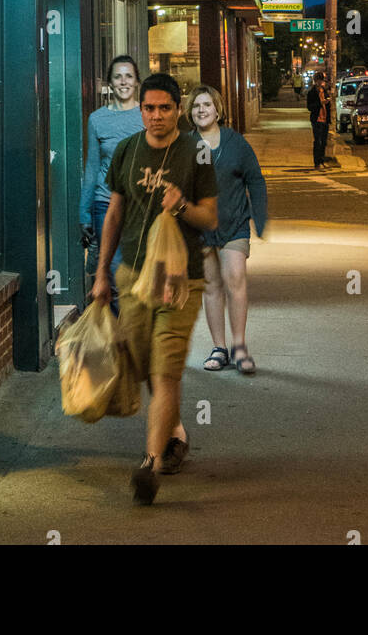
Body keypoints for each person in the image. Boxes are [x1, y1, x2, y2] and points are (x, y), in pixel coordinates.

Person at [93, 73, 218, 505]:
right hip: (131, 275)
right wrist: (101, 275)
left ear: (178, 110)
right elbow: (113, 215)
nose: (156, 116)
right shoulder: (127, 152)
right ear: (140, 109)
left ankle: (151, 461)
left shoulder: (196, 154)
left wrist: (182, 205)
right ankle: (175, 431)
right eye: (149, 108)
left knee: (166, 369)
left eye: (165, 108)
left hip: (180, 280)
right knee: (141, 361)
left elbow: (210, 218)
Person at [186, 85, 267, 376]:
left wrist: (260, 217)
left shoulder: (236, 144)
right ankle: (219, 348)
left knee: (235, 280)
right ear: (190, 112)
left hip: (234, 224)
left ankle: (240, 347)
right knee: (211, 286)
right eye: (196, 106)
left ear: (218, 110)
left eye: (207, 105)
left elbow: (255, 180)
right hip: (200, 229)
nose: (202, 110)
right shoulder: (184, 145)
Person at [79, 56, 144, 308]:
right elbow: (92, 167)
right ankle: (122, 340)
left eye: (128, 76)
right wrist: (84, 212)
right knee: (115, 274)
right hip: (105, 204)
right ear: (110, 83)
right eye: (118, 76)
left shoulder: (147, 115)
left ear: (137, 81)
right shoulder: (97, 119)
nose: (123, 81)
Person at [306, 70, 330, 169]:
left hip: (325, 119)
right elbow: (309, 107)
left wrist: (328, 102)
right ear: (315, 81)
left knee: (324, 142)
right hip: (317, 119)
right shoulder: (312, 92)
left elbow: (328, 104)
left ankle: (321, 160)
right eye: (318, 80)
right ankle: (316, 163)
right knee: (318, 141)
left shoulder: (324, 91)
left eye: (321, 80)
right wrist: (321, 103)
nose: (320, 83)